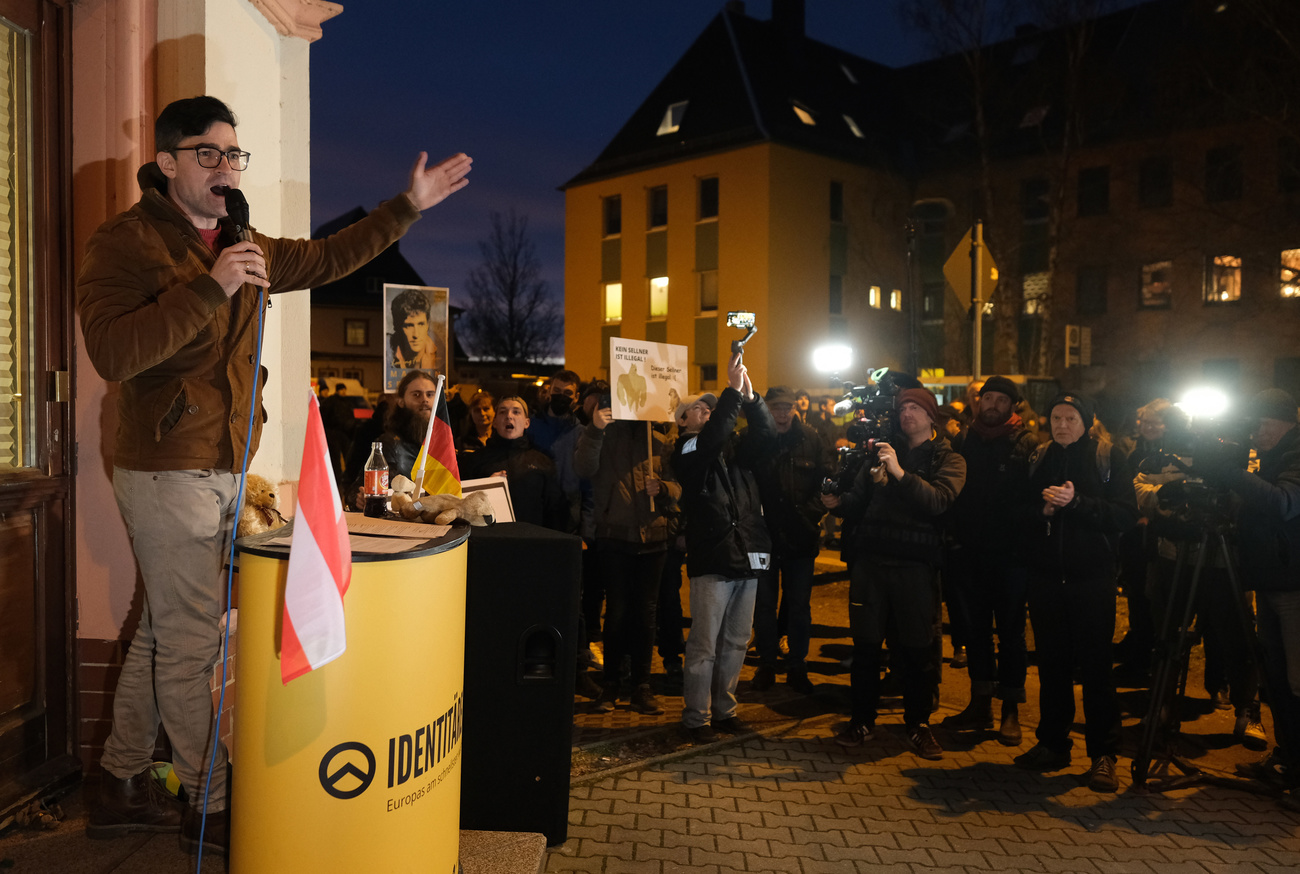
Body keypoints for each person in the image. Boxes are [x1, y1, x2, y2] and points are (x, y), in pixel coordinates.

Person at [76, 95, 471, 852]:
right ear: (166, 163)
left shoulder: (242, 238)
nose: (225, 168)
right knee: (190, 645)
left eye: (234, 154)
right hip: (166, 468)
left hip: (224, 464)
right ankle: (216, 803)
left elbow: (328, 258)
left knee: (166, 628)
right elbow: (115, 354)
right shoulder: (125, 243)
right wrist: (212, 285)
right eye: (208, 154)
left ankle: (122, 782)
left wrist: (406, 209)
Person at [821, 387, 965, 759]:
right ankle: (861, 721)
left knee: (917, 651)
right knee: (866, 648)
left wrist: (899, 472)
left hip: (915, 567)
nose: (907, 414)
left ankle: (918, 724)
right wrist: (837, 503)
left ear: (932, 417)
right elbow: (858, 503)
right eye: (903, 408)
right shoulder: (880, 453)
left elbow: (937, 501)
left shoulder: (948, 459)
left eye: (916, 408)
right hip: (872, 564)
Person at [1014, 394, 1137, 793]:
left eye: (1070, 417)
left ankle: (1103, 755)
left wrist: (1077, 502)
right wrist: (1042, 513)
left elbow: (1124, 514)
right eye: (1055, 417)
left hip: (1092, 578)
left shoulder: (1107, 456)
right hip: (1047, 578)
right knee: (1051, 667)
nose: (1062, 424)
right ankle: (1052, 743)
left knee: (1096, 669)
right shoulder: (1038, 457)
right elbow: (1017, 511)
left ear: (1087, 421)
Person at [1200, 389, 1300, 807]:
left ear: (1284, 423)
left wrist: (1232, 474)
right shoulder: (1272, 457)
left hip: (1295, 589)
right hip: (1271, 583)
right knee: (1277, 681)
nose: (1256, 431)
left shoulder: (1295, 457)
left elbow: (1283, 504)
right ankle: (1289, 761)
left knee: (1297, 683)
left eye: (1262, 424)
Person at [673, 354, 777, 743]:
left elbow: (766, 436)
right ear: (682, 422)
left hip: (745, 553)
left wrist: (751, 400)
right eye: (696, 408)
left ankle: (725, 710)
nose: (705, 409)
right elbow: (711, 438)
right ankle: (695, 718)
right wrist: (731, 393)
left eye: (708, 406)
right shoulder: (685, 452)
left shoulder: (732, 452)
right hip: (713, 559)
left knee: (736, 640)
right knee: (704, 644)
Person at [941, 376, 1038, 746]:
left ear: (1013, 405)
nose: (993, 405)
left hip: (1012, 557)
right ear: (979, 403)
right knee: (975, 631)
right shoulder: (966, 440)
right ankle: (979, 703)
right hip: (971, 553)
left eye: (1001, 399)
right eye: (988, 399)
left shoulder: (1027, 443)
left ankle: (1010, 710)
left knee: (1011, 633)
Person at [574, 385, 681, 716]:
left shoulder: (664, 436)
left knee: (646, 616)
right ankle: (611, 684)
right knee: (617, 613)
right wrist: (595, 429)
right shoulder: (608, 432)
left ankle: (642, 686)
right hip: (615, 537)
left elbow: (680, 486)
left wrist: (663, 488)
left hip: (654, 538)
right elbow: (583, 467)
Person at [749, 385, 831, 695]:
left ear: (795, 408)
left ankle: (797, 665)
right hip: (764, 538)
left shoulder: (810, 438)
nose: (782, 413)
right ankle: (766, 664)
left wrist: (808, 517)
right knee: (764, 606)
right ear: (767, 410)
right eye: (776, 407)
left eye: (787, 407)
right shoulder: (758, 440)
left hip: (801, 537)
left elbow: (827, 480)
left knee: (799, 606)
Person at [463, 396, 569, 531]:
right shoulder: (476, 460)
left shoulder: (542, 462)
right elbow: (462, 505)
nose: (509, 416)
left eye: (516, 412)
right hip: (489, 541)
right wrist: (484, 487)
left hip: (531, 542)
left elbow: (555, 510)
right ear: (495, 422)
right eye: (502, 412)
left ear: (527, 423)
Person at [389, 288, 441, 372]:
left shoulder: (439, 357)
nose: (416, 335)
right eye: (409, 326)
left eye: (421, 324)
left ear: (428, 324)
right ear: (397, 326)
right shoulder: (388, 352)